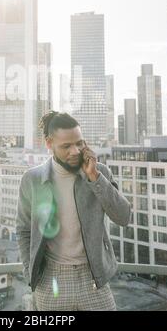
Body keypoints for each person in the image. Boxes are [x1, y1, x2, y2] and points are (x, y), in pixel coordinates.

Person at [16, 111, 131, 311]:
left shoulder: (100, 172)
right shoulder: (32, 180)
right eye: (66, 146)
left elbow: (123, 217)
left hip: (93, 278)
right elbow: (24, 230)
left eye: (79, 143)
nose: (76, 151)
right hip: (51, 280)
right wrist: (29, 271)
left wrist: (94, 177)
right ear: (49, 143)